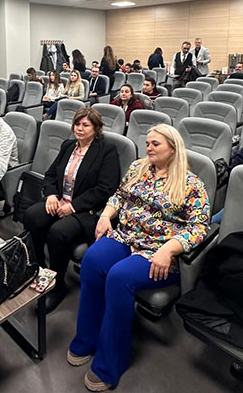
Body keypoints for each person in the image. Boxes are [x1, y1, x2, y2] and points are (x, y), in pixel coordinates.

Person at [67, 124, 210, 391]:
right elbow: (119, 196)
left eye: (156, 144)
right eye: (147, 143)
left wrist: (170, 249)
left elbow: (200, 226)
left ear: (173, 148)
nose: (149, 148)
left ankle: (110, 363)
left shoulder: (191, 184)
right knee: (92, 261)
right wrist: (105, 215)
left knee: (119, 278)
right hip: (126, 236)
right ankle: (87, 339)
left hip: (159, 250)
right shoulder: (138, 168)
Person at [23, 108, 120, 313]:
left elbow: (106, 188)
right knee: (31, 216)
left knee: (58, 232)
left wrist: (73, 206)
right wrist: (51, 195)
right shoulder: (68, 146)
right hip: (59, 201)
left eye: (86, 125)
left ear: (96, 129)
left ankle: (57, 287)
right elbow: (50, 175)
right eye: (77, 124)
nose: (80, 128)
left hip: (86, 210)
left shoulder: (106, 151)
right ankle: (39, 269)